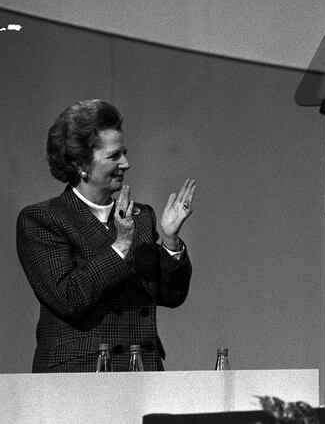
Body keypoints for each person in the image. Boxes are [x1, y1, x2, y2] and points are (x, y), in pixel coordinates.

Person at [17, 99, 196, 372]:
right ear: (81, 164)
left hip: (141, 372)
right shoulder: (43, 219)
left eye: (124, 153)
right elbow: (69, 298)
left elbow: (171, 295)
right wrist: (121, 245)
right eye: (114, 156)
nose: (126, 163)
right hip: (81, 375)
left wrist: (171, 240)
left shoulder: (141, 216)